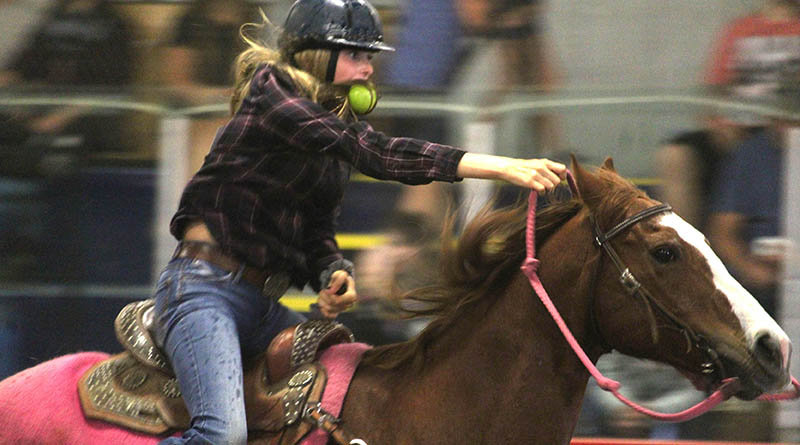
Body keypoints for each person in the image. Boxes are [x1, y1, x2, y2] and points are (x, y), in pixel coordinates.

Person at [150, 0, 567, 443]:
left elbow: (316, 229)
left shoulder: (326, 132)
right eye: (355, 55)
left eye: (369, 56)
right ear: (316, 55)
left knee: (349, 380)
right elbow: (376, 152)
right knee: (222, 435)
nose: (368, 69)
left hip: (260, 303)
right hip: (203, 291)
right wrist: (499, 166)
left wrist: (332, 272)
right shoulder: (272, 95)